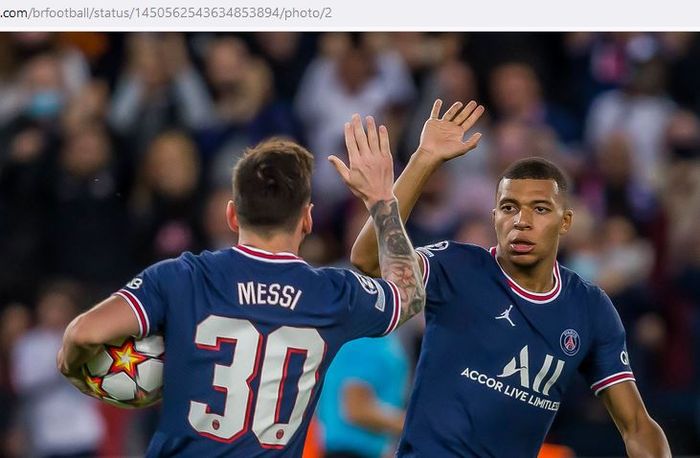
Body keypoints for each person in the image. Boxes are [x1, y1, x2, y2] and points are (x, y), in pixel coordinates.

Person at [57, 115, 426, 457]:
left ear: (232, 214)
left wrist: (76, 371)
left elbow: (84, 333)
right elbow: (409, 295)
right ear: (308, 219)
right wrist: (381, 201)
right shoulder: (333, 294)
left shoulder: (183, 276)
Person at [349, 99, 671, 457]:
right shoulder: (457, 266)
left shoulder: (590, 309)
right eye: (509, 208)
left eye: (540, 209)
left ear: (565, 222)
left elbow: (637, 425)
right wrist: (423, 161)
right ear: (495, 217)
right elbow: (369, 262)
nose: (522, 221)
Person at [317, 333, 408, 458]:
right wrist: (416, 426)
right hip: (349, 452)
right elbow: (356, 408)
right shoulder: (366, 340)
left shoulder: (372, 338)